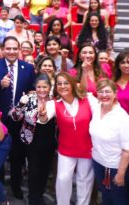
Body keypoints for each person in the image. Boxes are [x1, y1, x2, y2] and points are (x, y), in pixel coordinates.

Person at [0, 36, 36, 200]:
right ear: (3, 50)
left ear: (19, 50)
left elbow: (32, 91)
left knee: (18, 155)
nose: (11, 51)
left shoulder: (28, 68)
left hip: (19, 120)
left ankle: (16, 185)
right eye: (8, 48)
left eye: (15, 48)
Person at [39, 72, 94, 205]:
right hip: (66, 149)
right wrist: (42, 114)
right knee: (63, 179)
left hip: (87, 148)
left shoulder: (87, 99)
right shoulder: (54, 104)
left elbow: (101, 113)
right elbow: (44, 119)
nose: (62, 86)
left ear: (73, 84)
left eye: (66, 83)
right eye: (59, 84)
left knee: (84, 180)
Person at [10, 74, 57, 205]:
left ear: (49, 88)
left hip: (49, 142)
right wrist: (20, 104)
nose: (42, 90)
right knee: (34, 172)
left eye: (45, 87)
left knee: (45, 171)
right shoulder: (29, 99)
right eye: (39, 87)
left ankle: (40, 195)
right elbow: (15, 117)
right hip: (32, 142)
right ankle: (33, 199)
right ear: (35, 87)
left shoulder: (55, 100)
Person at [90, 79, 129, 205]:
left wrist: (120, 174)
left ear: (115, 94)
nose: (104, 95)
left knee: (118, 200)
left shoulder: (121, 117)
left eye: (107, 92)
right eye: (100, 91)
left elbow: (128, 149)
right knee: (106, 198)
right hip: (98, 162)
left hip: (115, 166)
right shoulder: (96, 108)